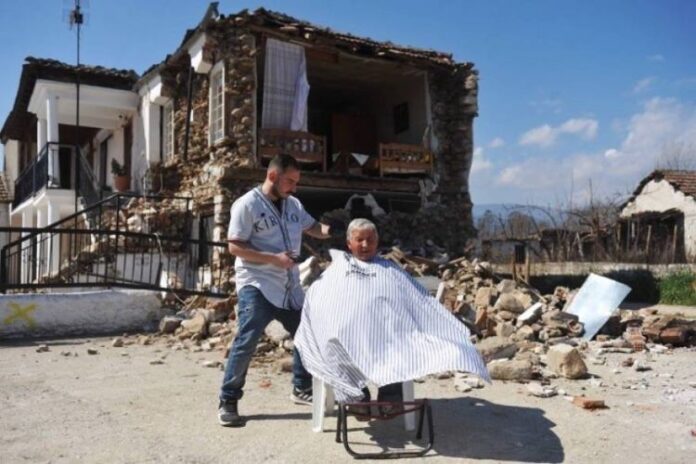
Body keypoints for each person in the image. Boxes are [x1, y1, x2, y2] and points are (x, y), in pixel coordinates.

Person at [295, 218, 489, 414]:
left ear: (377, 242)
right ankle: (357, 397)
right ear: (349, 243)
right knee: (332, 345)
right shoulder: (338, 268)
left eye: (370, 240)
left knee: (400, 346)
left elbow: (418, 300)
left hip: (389, 332)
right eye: (359, 240)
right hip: (346, 334)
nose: (365, 245)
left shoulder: (390, 268)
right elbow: (318, 299)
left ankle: (390, 395)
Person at [218, 154, 331, 427]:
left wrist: (336, 229)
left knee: (307, 333)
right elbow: (234, 246)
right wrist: (273, 259)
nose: (294, 187)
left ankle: (301, 387)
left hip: (289, 286)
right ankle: (228, 400)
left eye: (296, 182)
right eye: (290, 181)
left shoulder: (293, 204)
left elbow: (314, 227)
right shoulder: (247, 205)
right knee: (247, 340)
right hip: (257, 284)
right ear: (272, 176)